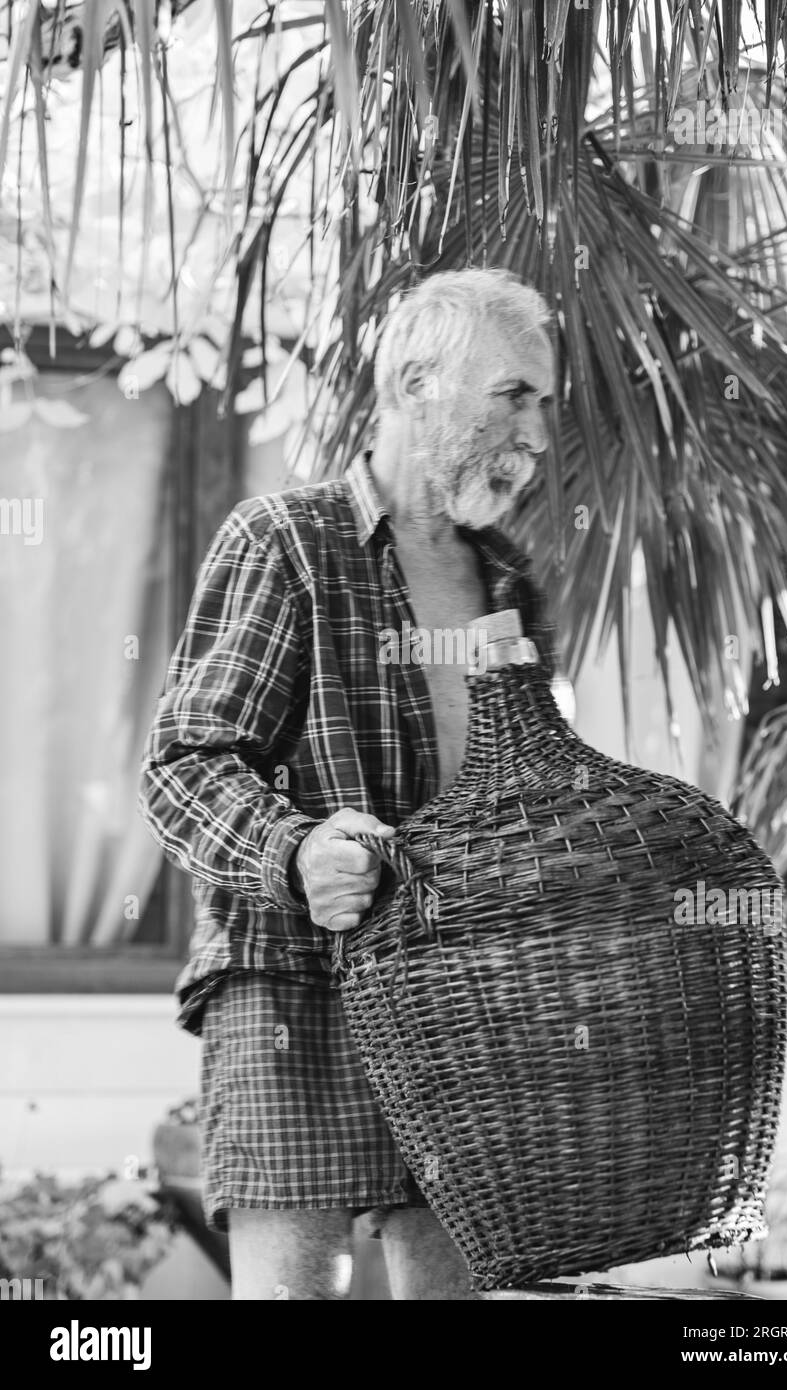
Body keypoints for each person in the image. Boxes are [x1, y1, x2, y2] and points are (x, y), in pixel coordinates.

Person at [139, 267, 558, 1300]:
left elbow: (526, 793)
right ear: (417, 383)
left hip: (460, 1000)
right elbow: (184, 761)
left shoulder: (506, 581)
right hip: (294, 991)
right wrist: (293, 852)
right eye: (514, 394)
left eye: (544, 405)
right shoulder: (282, 541)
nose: (538, 435)